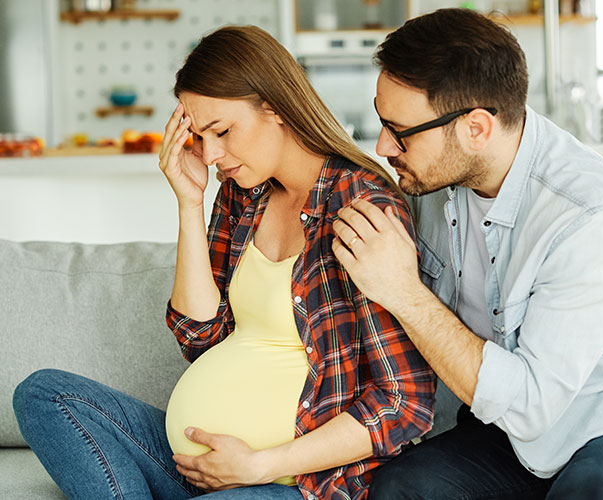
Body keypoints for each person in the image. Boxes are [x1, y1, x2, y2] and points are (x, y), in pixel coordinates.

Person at [12, 25, 434, 500]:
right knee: (44, 394)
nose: (211, 155)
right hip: (198, 468)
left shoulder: (361, 207)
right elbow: (200, 338)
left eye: (222, 131)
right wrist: (189, 205)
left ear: (275, 107)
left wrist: (258, 465)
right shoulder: (242, 194)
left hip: (292, 483)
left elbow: (404, 404)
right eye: (199, 136)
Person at [331, 8, 603, 500]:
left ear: (477, 128)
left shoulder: (589, 216)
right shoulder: (436, 185)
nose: (382, 146)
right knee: (402, 487)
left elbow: (530, 402)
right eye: (382, 121)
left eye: (400, 131)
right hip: (508, 437)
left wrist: (405, 292)